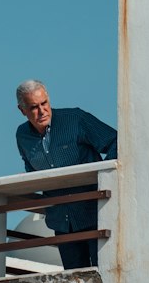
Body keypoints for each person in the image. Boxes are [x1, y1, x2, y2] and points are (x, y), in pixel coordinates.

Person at [15, 79, 117, 271]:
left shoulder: (75, 119)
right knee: (74, 280)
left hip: (93, 212)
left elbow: (115, 141)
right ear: (22, 110)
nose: (42, 111)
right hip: (61, 220)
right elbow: (31, 169)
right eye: (34, 107)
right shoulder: (22, 135)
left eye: (44, 103)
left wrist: (104, 176)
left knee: (102, 275)